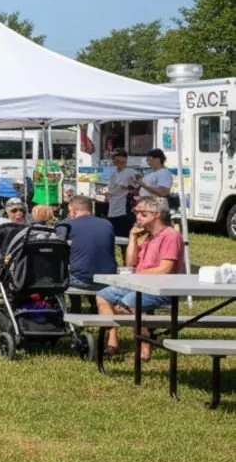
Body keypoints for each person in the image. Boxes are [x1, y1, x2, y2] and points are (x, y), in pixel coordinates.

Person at [96, 196, 186, 361]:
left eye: (142, 213)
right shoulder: (149, 237)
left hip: (161, 287)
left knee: (130, 302)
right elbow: (130, 264)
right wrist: (132, 237)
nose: (137, 217)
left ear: (156, 214)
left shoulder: (170, 236)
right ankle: (112, 340)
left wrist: (135, 276)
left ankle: (144, 349)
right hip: (139, 284)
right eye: (136, 212)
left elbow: (165, 269)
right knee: (103, 295)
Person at [58, 195, 117, 292]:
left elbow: (58, 245)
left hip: (82, 279)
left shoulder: (67, 225)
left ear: (72, 211)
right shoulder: (107, 224)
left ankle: (68, 306)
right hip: (108, 279)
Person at [105, 149, 140, 238]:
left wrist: (128, 187)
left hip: (124, 211)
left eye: (118, 156)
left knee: (125, 238)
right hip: (112, 210)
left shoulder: (131, 172)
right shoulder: (114, 174)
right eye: (113, 157)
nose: (116, 159)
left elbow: (139, 188)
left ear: (125, 158)